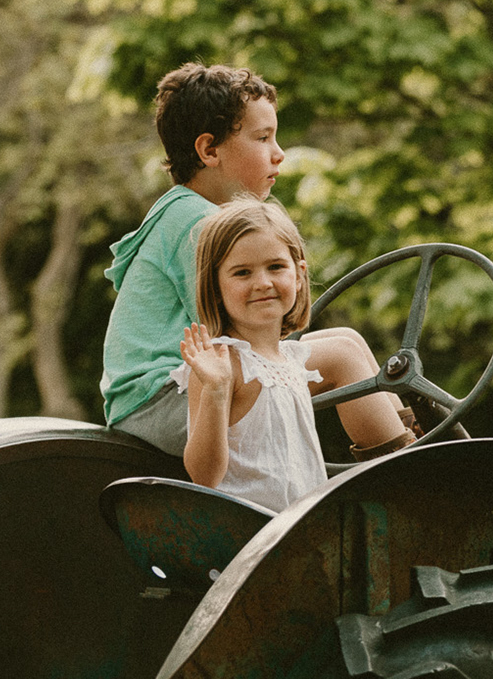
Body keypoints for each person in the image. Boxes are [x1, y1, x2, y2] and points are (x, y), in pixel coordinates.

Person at [100, 63, 413, 461]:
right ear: (209, 150)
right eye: (263, 138)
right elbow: (240, 330)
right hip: (162, 402)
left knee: (347, 339)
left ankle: (410, 438)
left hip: (176, 390)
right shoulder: (199, 223)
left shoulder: (189, 212)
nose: (279, 154)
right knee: (341, 357)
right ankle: (407, 475)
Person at [174, 198, 342, 511]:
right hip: (249, 537)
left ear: (299, 274)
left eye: (276, 267)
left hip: (299, 528)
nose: (262, 283)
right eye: (242, 273)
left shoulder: (294, 361)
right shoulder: (223, 363)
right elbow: (203, 477)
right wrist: (215, 390)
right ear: (215, 286)